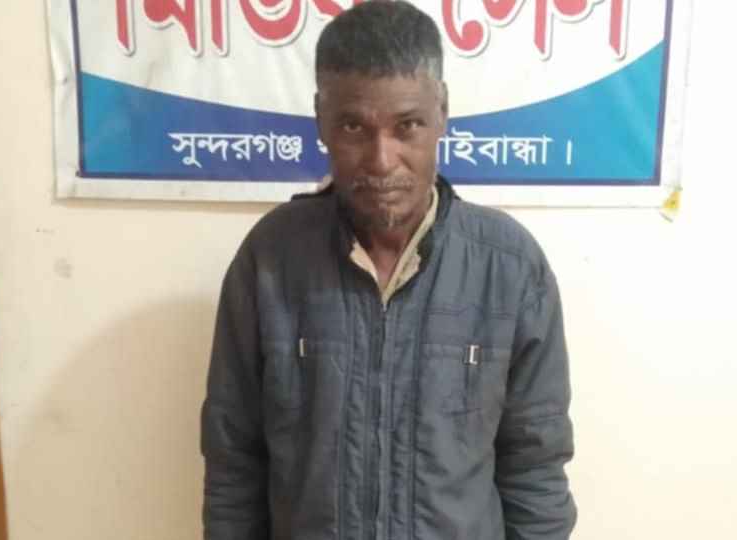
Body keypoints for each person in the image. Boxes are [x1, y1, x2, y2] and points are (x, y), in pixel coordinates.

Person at [201, 2, 576, 539]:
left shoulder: (509, 268)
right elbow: (233, 460)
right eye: (354, 126)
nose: (381, 160)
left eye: (408, 126)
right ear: (321, 119)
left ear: (441, 112)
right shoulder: (270, 261)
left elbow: (535, 472)